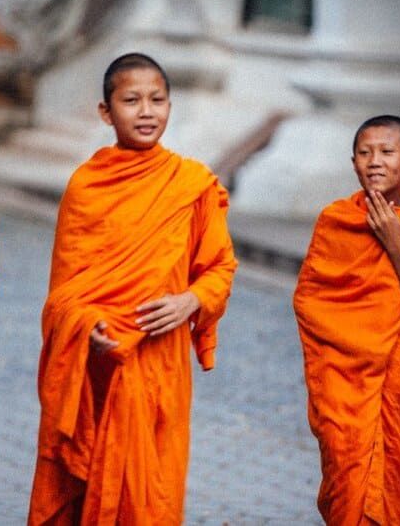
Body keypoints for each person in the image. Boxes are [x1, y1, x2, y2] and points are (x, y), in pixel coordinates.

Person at [28, 53, 238, 524]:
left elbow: (220, 268)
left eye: (157, 100)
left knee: (153, 493)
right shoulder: (87, 186)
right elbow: (63, 293)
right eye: (131, 100)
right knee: (89, 492)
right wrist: (85, 329)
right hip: (100, 365)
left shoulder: (191, 184)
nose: (146, 111)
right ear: (106, 112)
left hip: (161, 366)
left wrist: (192, 299)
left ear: (170, 105)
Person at [293, 115, 400, 525]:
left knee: (394, 490)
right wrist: (358, 346)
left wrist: (395, 243)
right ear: (352, 163)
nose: (375, 162)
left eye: (388, 152)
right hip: (344, 382)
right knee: (346, 481)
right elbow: (310, 303)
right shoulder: (336, 220)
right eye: (365, 153)